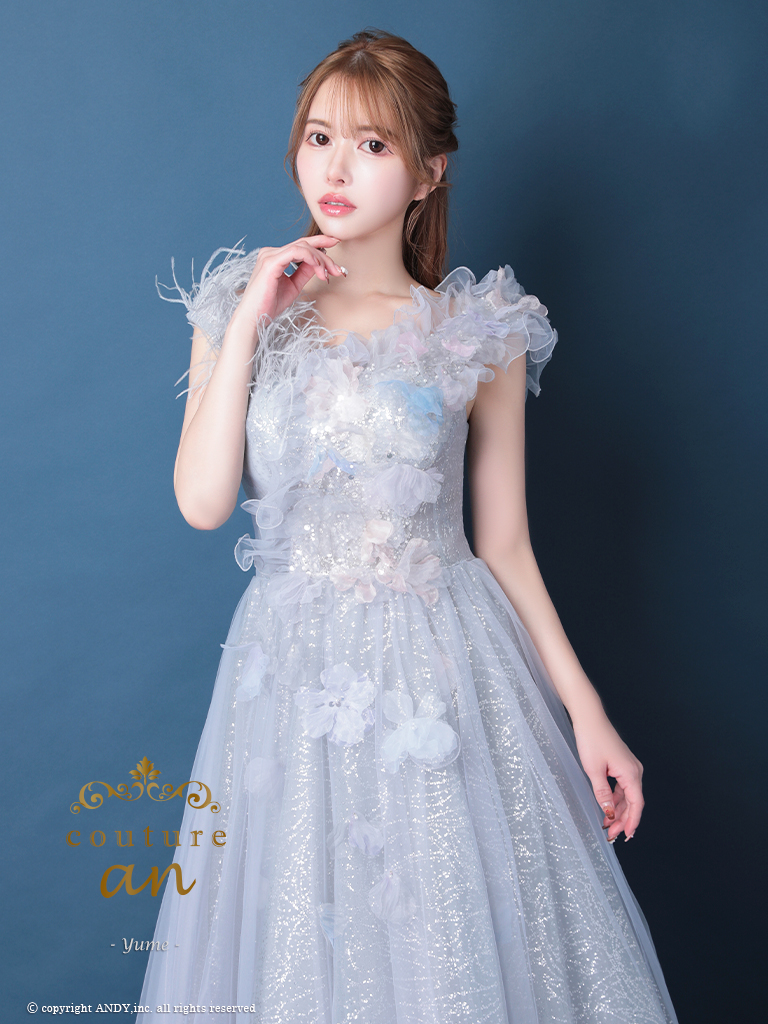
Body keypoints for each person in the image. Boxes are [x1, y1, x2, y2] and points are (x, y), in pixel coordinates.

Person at [140, 29, 678, 1024]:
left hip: (440, 675)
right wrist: (253, 316)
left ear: (430, 172)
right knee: (298, 955)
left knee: (443, 957)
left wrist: (587, 712)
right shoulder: (236, 309)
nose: (335, 170)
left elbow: (503, 545)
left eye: (373, 145)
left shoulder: (478, 334)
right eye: (319, 138)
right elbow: (204, 502)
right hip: (289, 677)